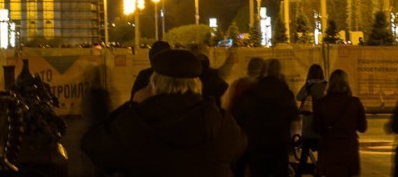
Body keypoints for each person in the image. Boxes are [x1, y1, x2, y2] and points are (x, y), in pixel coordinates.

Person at [81, 46, 246, 176]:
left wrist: (131, 105)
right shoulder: (219, 121)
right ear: (197, 84)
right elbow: (239, 148)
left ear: (153, 84)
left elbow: (92, 146)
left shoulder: (135, 123)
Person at [231, 60, 298, 177]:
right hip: (279, 144)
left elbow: (239, 113)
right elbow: (294, 117)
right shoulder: (284, 92)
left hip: (257, 144)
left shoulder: (254, 90)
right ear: (278, 72)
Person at [311, 69, 367, 177]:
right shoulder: (355, 103)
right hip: (349, 152)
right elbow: (362, 127)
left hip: (329, 151)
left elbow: (316, 128)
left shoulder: (321, 103)